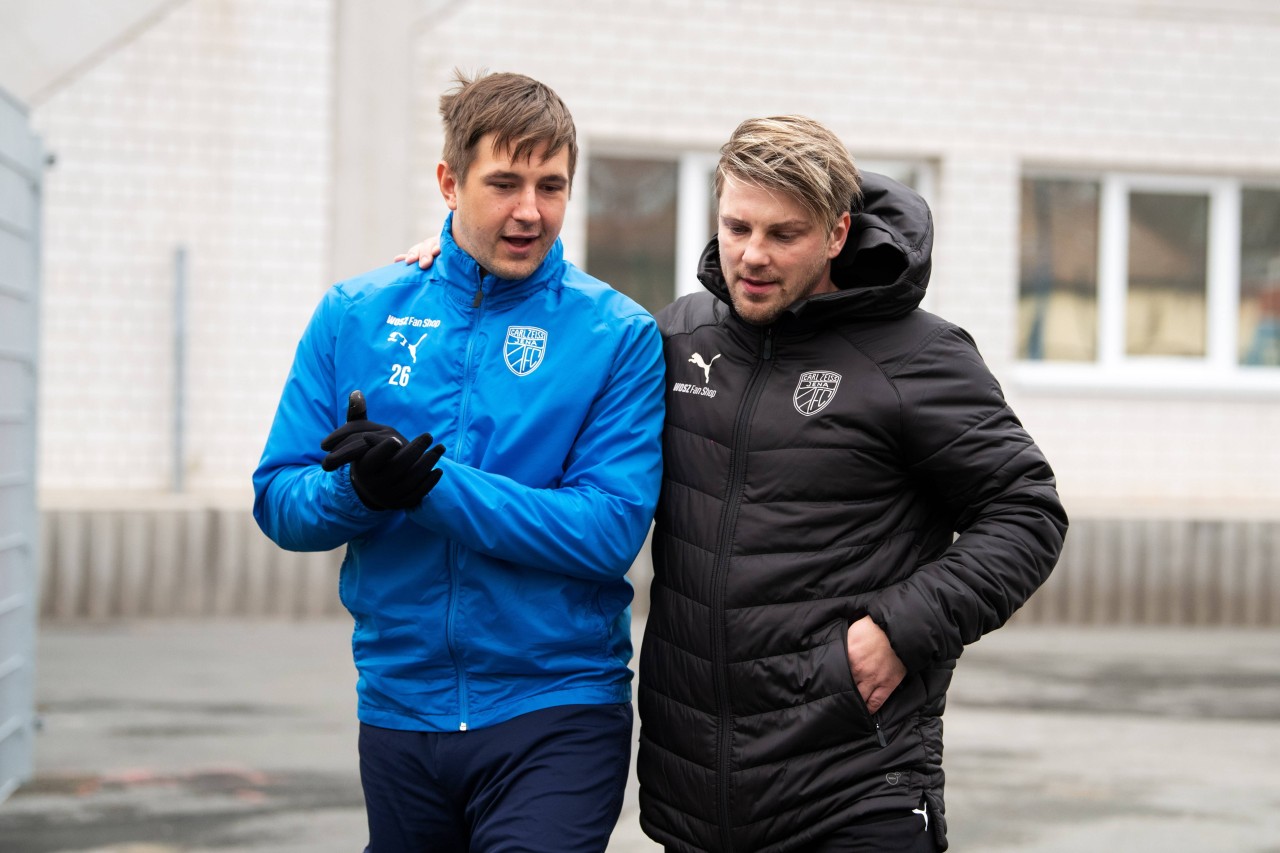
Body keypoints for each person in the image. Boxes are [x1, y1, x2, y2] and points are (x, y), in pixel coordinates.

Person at [400, 115, 1067, 852]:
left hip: (853, 787)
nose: (752, 255)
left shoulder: (920, 357)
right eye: (736, 226)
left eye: (784, 235)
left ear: (838, 232)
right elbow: (563, 340)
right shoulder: (679, 335)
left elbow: (1027, 514)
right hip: (699, 801)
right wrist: (463, 268)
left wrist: (899, 629)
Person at [253, 70, 665, 853]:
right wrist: (359, 493)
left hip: (557, 708)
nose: (530, 210)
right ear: (449, 181)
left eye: (552, 186)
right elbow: (278, 498)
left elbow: (607, 528)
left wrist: (430, 486)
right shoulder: (357, 314)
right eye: (504, 182)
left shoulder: (618, 335)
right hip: (400, 710)